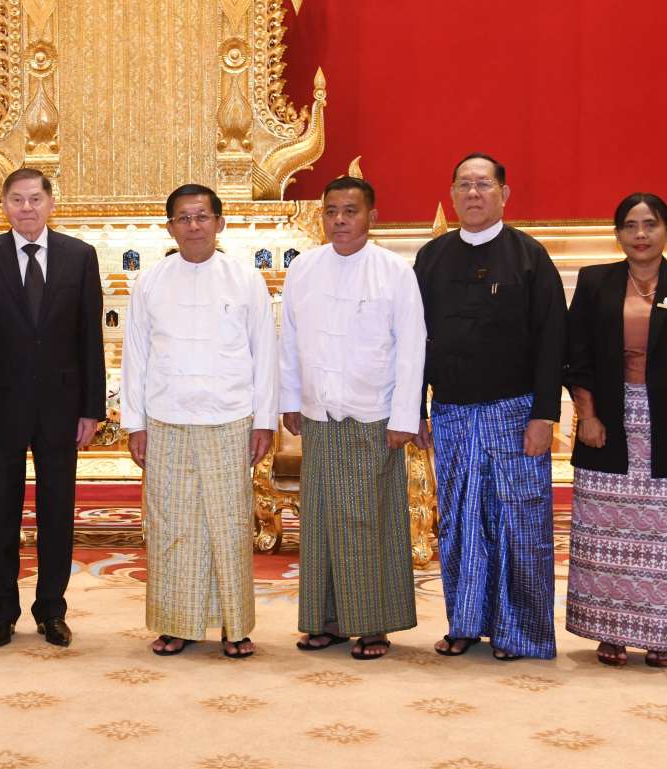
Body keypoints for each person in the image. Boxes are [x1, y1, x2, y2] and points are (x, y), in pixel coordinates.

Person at [565, 193, 667, 668]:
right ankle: (610, 631)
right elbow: (576, 357)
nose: (640, 234)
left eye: (651, 224)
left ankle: (662, 634)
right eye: (630, 225)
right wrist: (587, 416)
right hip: (608, 422)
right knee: (605, 533)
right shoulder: (595, 281)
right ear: (617, 233)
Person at [415, 153, 566, 661]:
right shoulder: (432, 258)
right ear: (452, 194)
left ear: (505, 193)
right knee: (459, 522)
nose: (473, 194)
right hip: (452, 412)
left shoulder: (529, 256)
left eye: (483, 184)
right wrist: (416, 409)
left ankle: (519, 631)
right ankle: (465, 622)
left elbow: (552, 341)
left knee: (519, 522)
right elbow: (414, 341)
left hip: (515, 412)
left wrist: (545, 415)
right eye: (464, 185)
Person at [121, 184, 276, 659]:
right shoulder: (150, 281)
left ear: (220, 223)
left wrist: (264, 421)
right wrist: (135, 423)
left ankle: (235, 626)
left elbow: (265, 353)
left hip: (230, 417)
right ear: (169, 227)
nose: (193, 226)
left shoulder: (245, 279)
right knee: (172, 526)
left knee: (229, 525)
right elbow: (136, 356)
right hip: (166, 418)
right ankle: (177, 624)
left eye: (202, 217)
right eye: (183, 219)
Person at [0, 168, 105, 649]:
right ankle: (0, 613)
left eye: (35, 199)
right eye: (17, 199)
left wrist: (91, 409)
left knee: (57, 513)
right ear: (4, 205)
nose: (26, 208)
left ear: (50, 203)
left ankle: (51, 610)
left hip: (62, 408)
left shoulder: (79, 256)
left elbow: (90, 338)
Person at [280, 176, 425, 660]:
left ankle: (373, 624)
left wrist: (405, 415)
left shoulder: (394, 271)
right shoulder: (303, 268)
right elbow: (289, 339)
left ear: (371, 217)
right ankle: (327, 621)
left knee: (368, 519)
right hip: (318, 415)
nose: (339, 220)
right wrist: (290, 398)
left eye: (350, 211)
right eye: (331, 211)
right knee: (320, 519)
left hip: (374, 415)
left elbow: (411, 348)